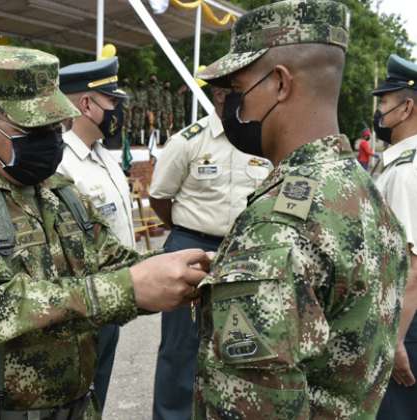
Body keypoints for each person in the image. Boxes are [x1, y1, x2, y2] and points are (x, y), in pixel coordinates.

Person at [0, 45, 211, 420]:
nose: (50, 139)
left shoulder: (59, 191)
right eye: (34, 128)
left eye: (56, 126)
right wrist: (129, 287)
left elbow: (110, 260)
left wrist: (185, 270)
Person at [193, 1, 408, 418]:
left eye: (236, 90)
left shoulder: (276, 225)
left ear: (279, 84)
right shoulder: (360, 187)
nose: (229, 109)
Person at [149, 85, 271, 420]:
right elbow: (160, 196)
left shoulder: (263, 138)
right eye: (235, 88)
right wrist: (189, 231)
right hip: (193, 247)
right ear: (219, 95)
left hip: (247, 250)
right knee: (181, 348)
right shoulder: (188, 140)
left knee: (245, 344)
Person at [57, 57, 132, 412]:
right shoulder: (62, 164)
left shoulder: (105, 157)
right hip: (84, 305)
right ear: (86, 104)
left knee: (96, 394)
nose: (118, 110)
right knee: (76, 397)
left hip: (111, 300)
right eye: (112, 102)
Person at [372, 54, 417, 420]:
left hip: (404, 317)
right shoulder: (399, 164)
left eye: (384, 103)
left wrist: (396, 338)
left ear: (407, 108)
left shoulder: (406, 172)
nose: (379, 112)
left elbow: (412, 264)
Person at [132, 78, 147, 144]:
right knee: (135, 125)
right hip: (136, 111)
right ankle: (134, 140)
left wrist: (145, 108)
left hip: (142, 111)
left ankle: (140, 140)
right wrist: (138, 105)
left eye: (142, 83)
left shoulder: (145, 92)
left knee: (141, 125)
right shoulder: (135, 91)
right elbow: (133, 101)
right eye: (140, 83)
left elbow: (146, 101)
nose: (141, 84)